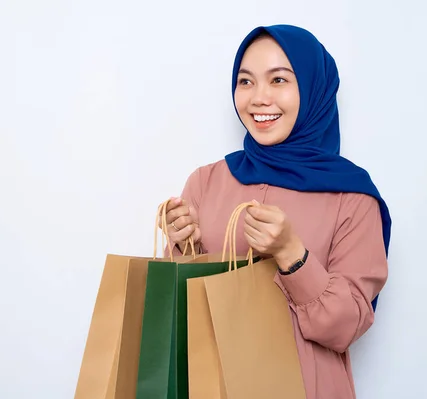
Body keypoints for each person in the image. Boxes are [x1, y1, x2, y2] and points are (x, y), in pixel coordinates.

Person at [162, 24, 391, 399]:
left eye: (279, 80)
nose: (258, 98)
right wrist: (181, 248)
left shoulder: (352, 195)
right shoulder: (207, 181)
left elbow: (347, 327)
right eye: (246, 81)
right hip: (211, 386)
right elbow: (184, 313)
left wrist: (292, 256)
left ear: (313, 89)